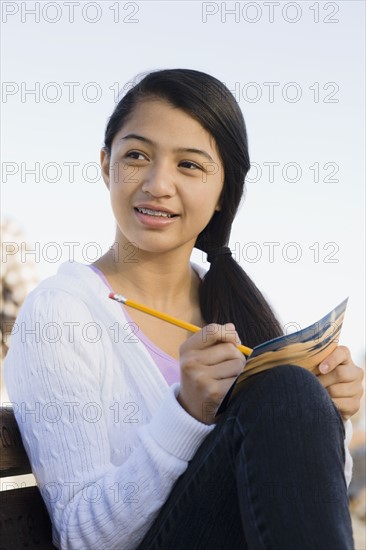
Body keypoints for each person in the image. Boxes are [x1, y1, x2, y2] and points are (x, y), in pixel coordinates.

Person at [3, 68, 364, 550]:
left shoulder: (246, 309)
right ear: (105, 163)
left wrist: (329, 415)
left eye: (189, 165)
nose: (157, 183)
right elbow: (81, 537)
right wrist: (187, 413)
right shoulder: (61, 313)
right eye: (136, 156)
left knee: (289, 387)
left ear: (223, 193)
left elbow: (306, 512)